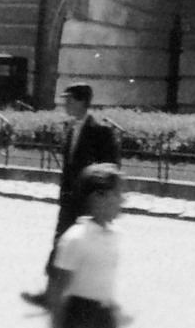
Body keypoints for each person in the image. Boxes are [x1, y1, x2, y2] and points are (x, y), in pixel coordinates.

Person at [23, 83, 122, 308]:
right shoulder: (71, 128)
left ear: (80, 102)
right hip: (69, 200)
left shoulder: (100, 131)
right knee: (60, 244)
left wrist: (100, 195)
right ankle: (51, 294)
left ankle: (84, 297)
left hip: (88, 202)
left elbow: (111, 166)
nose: (65, 104)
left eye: (69, 100)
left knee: (84, 247)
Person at [47, 164, 126, 328]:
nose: (122, 199)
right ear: (98, 198)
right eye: (117, 193)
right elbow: (58, 290)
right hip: (79, 317)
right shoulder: (77, 238)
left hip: (103, 316)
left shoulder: (114, 235)